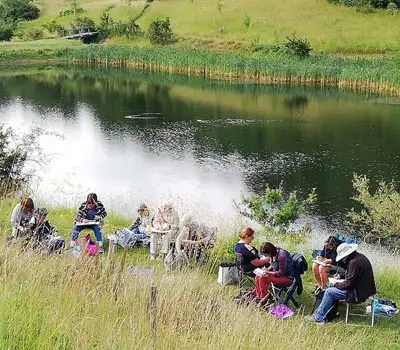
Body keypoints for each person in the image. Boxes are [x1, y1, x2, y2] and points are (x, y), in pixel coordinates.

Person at [305, 243, 377, 324]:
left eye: (343, 257)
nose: (343, 260)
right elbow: (353, 277)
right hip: (364, 290)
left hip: (358, 293)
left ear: (347, 255)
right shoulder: (360, 257)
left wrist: (336, 284)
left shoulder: (354, 262)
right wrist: (340, 277)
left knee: (329, 291)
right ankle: (331, 313)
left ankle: (318, 318)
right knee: (331, 287)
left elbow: (349, 283)